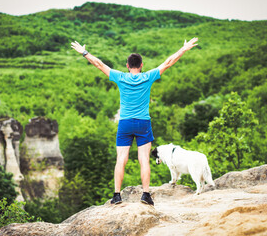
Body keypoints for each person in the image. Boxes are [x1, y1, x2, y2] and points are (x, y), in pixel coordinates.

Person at [71, 38, 198, 206]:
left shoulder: (120, 77)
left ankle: (116, 195)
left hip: (125, 123)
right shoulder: (148, 77)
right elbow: (168, 63)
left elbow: (99, 64)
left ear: (127, 65)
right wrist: (184, 49)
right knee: (144, 159)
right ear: (142, 65)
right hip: (143, 123)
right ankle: (145, 195)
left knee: (121, 159)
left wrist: (84, 52)